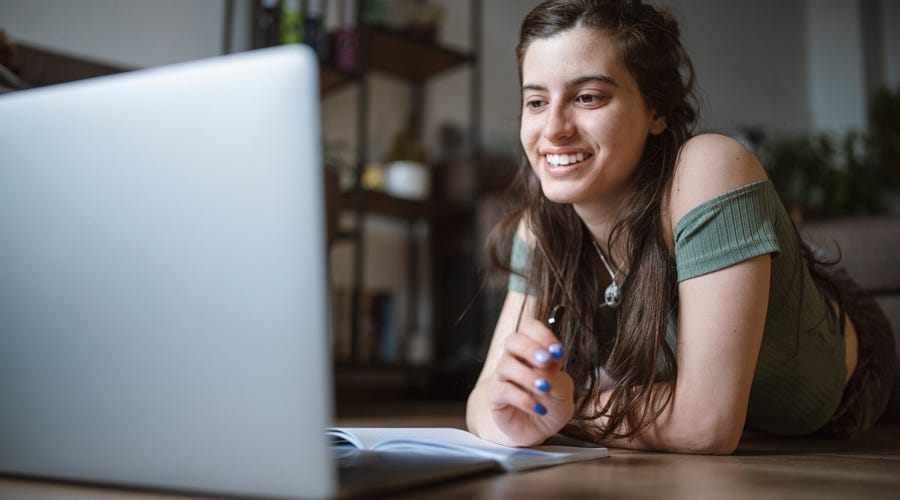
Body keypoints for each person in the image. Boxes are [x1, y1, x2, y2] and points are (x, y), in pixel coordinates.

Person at [465, 0, 895, 455]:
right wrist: (513, 415)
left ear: (657, 110)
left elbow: (705, 424)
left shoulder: (710, 167)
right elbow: (482, 402)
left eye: (588, 96)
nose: (553, 128)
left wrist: (569, 408)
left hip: (847, 374)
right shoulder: (541, 225)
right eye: (536, 101)